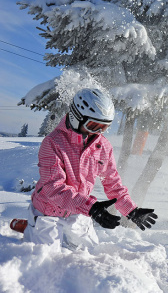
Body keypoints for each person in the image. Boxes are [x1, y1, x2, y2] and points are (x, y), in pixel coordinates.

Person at [10, 88, 158, 250]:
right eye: (93, 125)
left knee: (89, 250)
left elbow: (113, 183)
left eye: (104, 127)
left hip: (79, 209)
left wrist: (131, 210)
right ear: (75, 117)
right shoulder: (53, 143)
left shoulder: (102, 147)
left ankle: (35, 229)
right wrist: (92, 208)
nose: (98, 132)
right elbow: (53, 188)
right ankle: (31, 227)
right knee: (45, 254)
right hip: (48, 209)